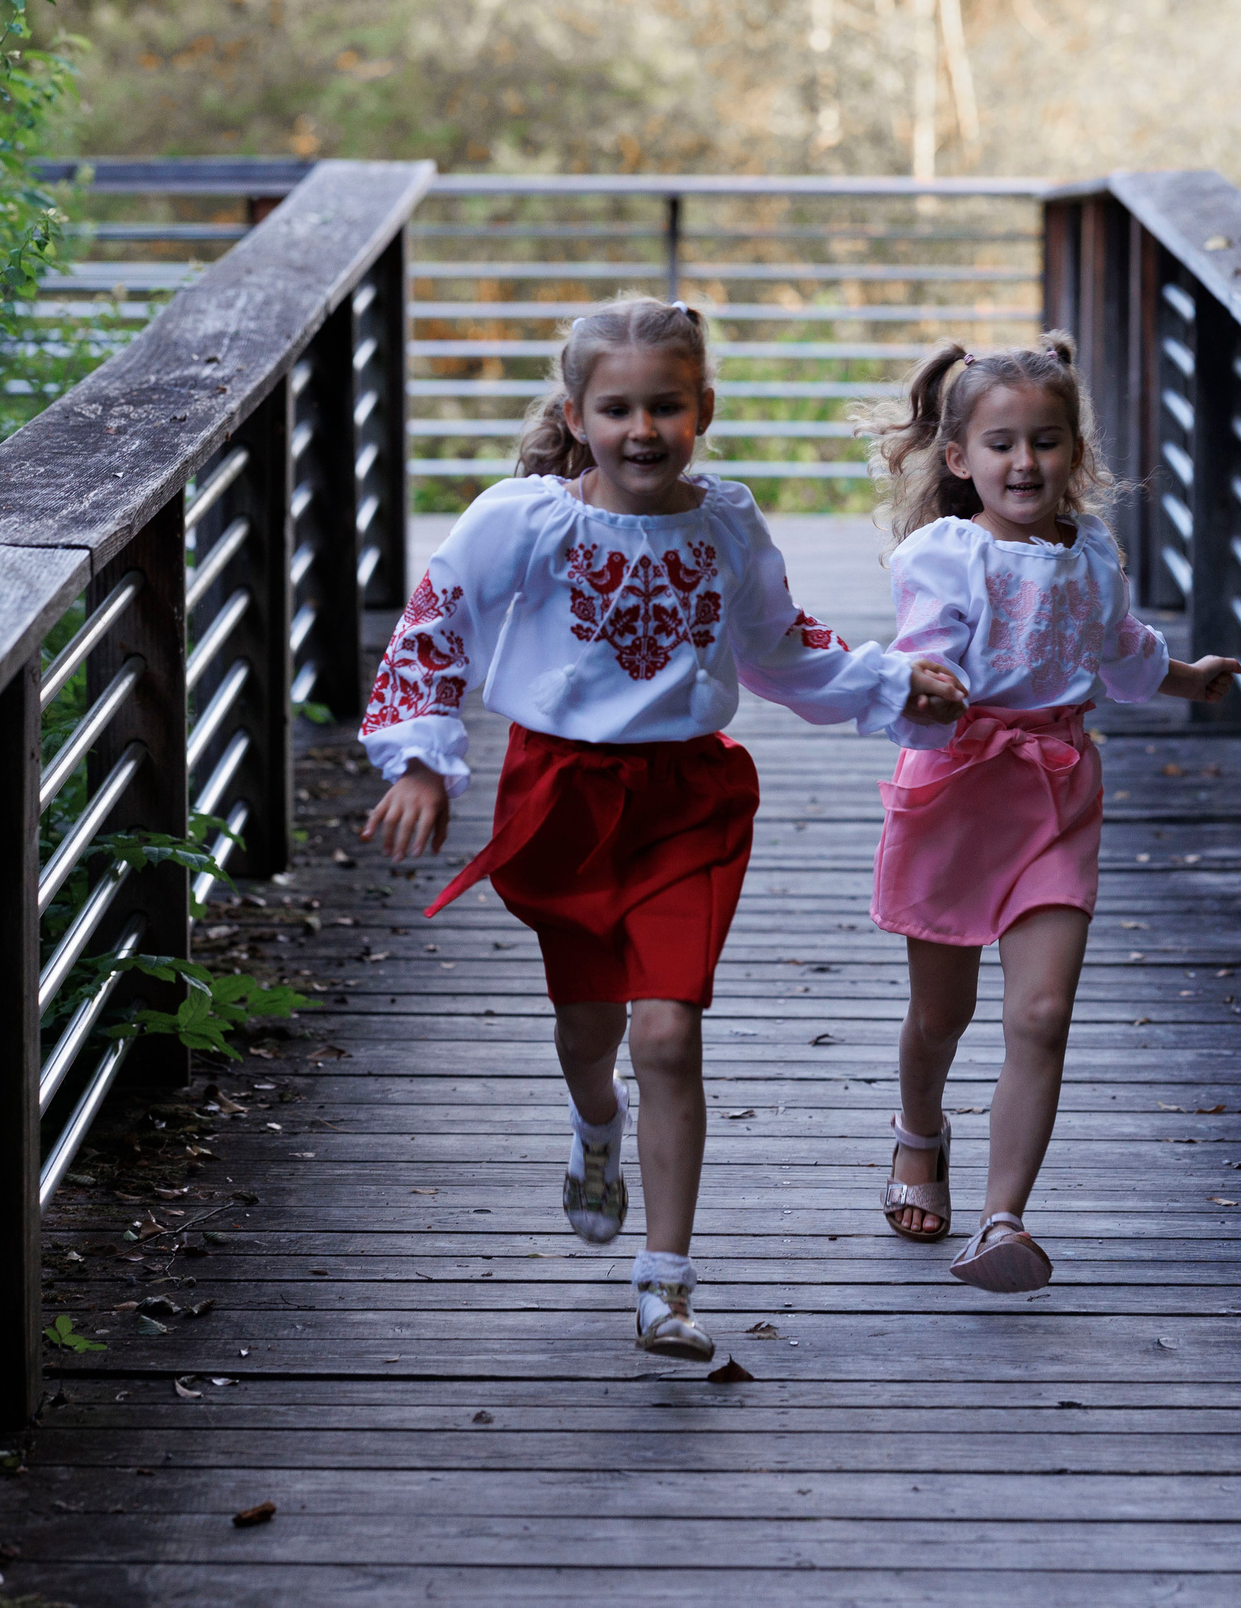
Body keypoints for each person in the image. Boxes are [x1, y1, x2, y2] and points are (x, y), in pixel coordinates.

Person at [359, 296, 967, 1359]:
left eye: (666, 407)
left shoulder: (724, 520)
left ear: (702, 409)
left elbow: (780, 643)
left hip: (689, 802)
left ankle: (666, 1282)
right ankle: (596, 1127)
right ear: (577, 413)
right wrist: (418, 758)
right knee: (592, 1033)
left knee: (668, 1032)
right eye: (617, 409)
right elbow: (435, 626)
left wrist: (885, 681)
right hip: (561, 801)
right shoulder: (523, 518)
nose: (642, 429)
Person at [858, 334, 1241, 1292]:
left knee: (1042, 1009)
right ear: (959, 459)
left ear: (1077, 452)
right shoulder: (945, 554)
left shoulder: (1093, 553)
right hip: (957, 787)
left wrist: (1187, 679)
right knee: (940, 1013)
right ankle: (919, 1132)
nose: (1023, 461)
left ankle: (1001, 1218)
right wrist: (922, 687)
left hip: (1056, 788)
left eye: (1046, 440)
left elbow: (1118, 648)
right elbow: (924, 652)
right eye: (1000, 444)